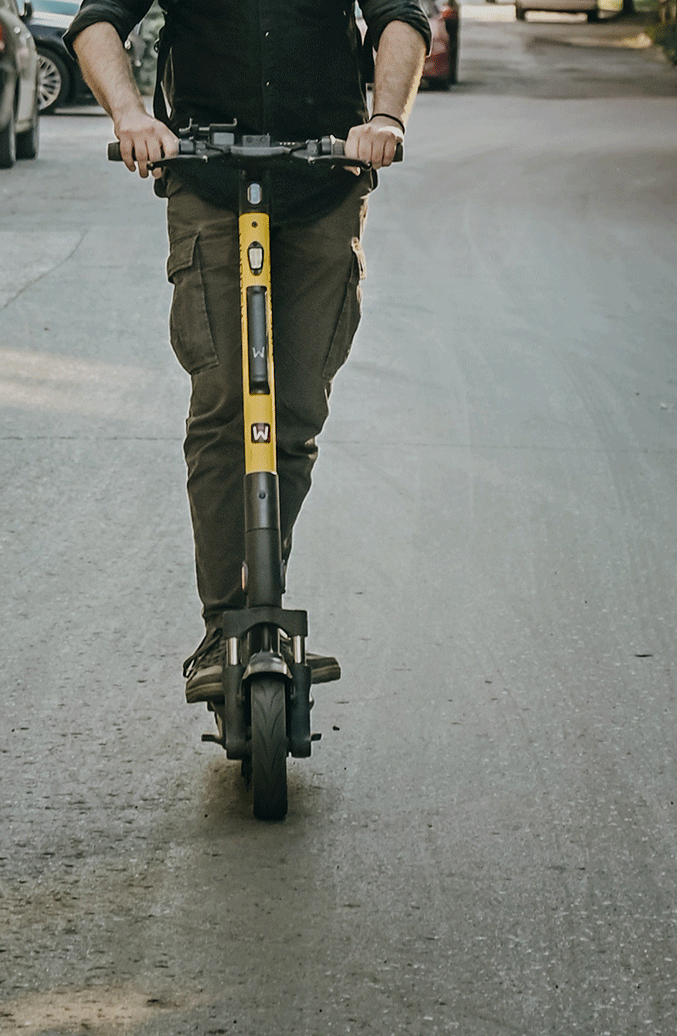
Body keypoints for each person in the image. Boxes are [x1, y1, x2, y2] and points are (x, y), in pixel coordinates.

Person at [67, 0, 430, 702]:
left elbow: (400, 17)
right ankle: (224, 626)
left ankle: (262, 602)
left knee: (291, 411)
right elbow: (95, 21)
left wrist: (385, 118)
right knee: (224, 403)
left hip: (325, 179)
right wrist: (131, 115)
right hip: (207, 178)